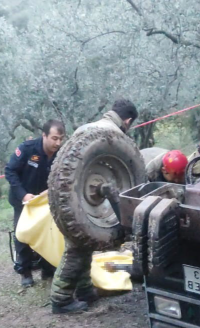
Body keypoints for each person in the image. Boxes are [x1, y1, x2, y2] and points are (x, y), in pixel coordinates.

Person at [50, 99, 139, 314]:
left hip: (68, 196)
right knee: (76, 250)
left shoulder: (85, 128)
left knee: (84, 245)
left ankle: (85, 291)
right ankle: (60, 300)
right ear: (127, 121)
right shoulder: (115, 135)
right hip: (83, 200)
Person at [5, 119, 66, 287]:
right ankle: (25, 272)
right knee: (23, 234)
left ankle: (48, 268)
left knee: (49, 232)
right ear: (44, 135)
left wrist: (51, 190)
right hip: (23, 200)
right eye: (54, 138)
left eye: (61, 138)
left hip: (46, 201)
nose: (58, 143)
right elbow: (10, 171)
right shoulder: (27, 149)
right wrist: (23, 195)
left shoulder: (61, 154)